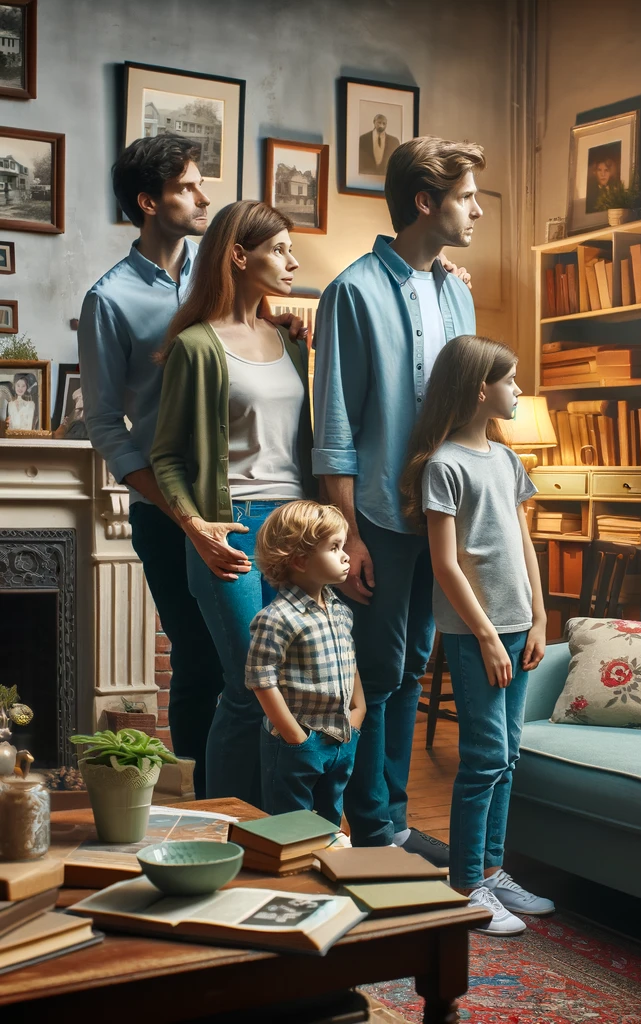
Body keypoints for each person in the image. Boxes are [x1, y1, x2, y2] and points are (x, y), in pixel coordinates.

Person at [78, 134, 304, 799]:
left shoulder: (227, 274)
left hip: (247, 500)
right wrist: (186, 515)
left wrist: (288, 332)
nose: (203, 195)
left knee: (255, 668)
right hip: (168, 508)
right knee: (202, 664)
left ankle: (257, 808)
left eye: (201, 184)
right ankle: (209, 807)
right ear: (149, 202)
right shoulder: (110, 299)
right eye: (186, 186)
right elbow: (103, 429)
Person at [313, 136, 485, 862]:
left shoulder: (460, 289)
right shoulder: (350, 291)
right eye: (467, 196)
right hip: (377, 513)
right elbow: (336, 426)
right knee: (376, 671)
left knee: (413, 663)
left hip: (437, 511)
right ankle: (369, 826)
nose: (478, 209)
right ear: (425, 202)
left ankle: (393, 819)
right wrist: (348, 534)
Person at [150, 200, 317, 808]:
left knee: (295, 689)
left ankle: (280, 827)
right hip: (235, 531)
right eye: (279, 249)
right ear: (239, 256)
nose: (292, 261)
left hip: (298, 533)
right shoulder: (196, 346)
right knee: (249, 688)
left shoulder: (295, 341)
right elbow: (166, 455)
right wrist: (196, 528)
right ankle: (222, 827)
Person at [400, 335, 553, 936]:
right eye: (510, 380)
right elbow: (445, 565)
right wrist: (487, 635)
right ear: (478, 388)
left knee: (507, 757)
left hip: (518, 627)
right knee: (484, 758)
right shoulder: (444, 465)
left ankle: (492, 869)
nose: (518, 390)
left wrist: (540, 618)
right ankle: (465, 885)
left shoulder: (508, 461)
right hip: (475, 635)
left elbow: (524, 545)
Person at [246, 500, 366, 820]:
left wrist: (358, 711)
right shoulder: (277, 618)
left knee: (329, 821)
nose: (345, 555)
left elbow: (348, 658)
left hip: (339, 739)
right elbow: (261, 680)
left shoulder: (338, 610)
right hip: (298, 745)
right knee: (291, 826)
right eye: (334, 547)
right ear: (300, 560)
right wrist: (297, 739)